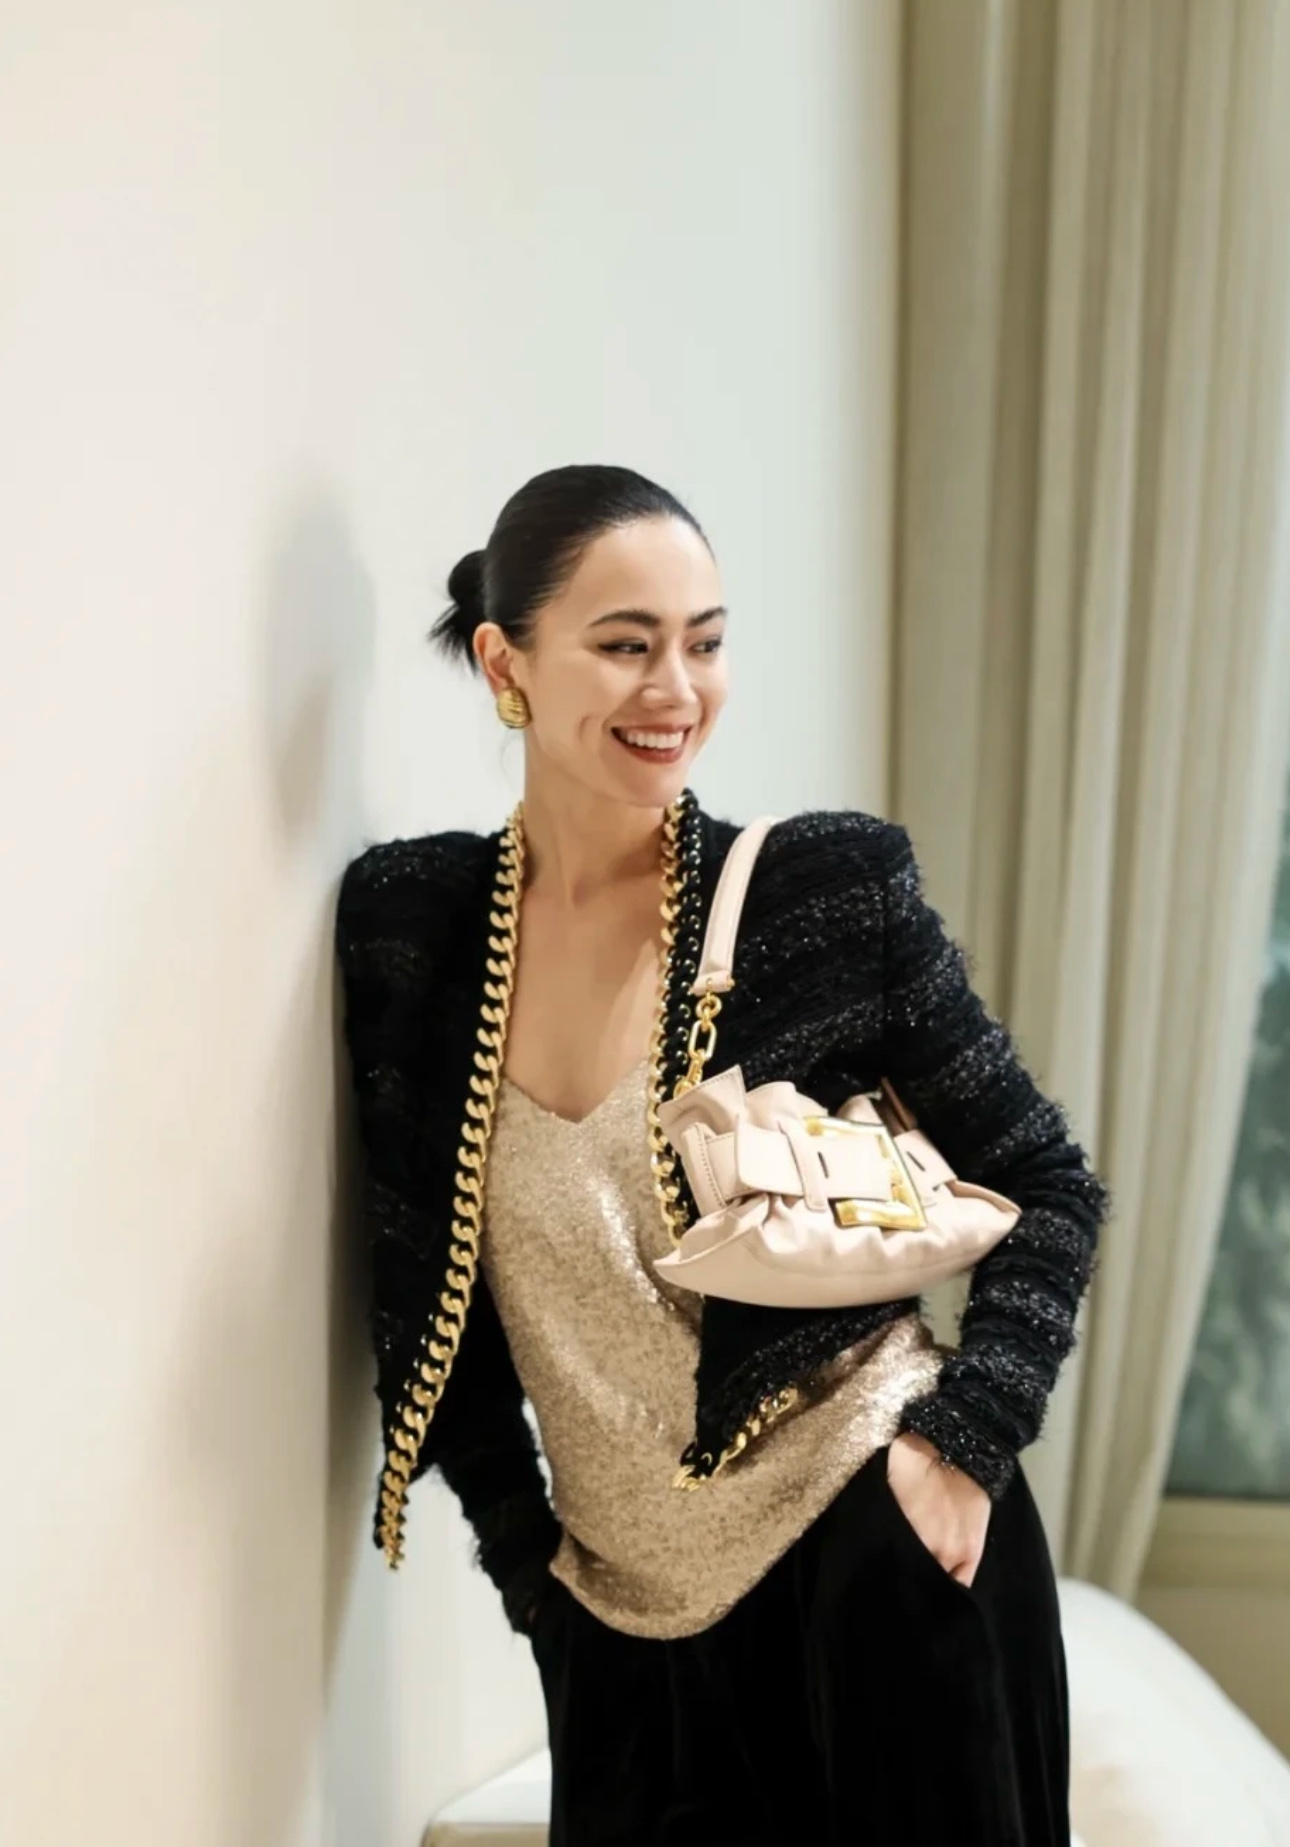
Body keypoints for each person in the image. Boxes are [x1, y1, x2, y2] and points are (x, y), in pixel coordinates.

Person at [334, 463, 1113, 1846]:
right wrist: (532, 1576)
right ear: (507, 664)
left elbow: (1048, 1184)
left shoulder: (824, 893)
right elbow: (422, 1303)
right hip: (620, 1636)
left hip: (875, 1558)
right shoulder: (416, 929)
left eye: (704, 642)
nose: (675, 690)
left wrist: (956, 1447)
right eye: (625, 645)